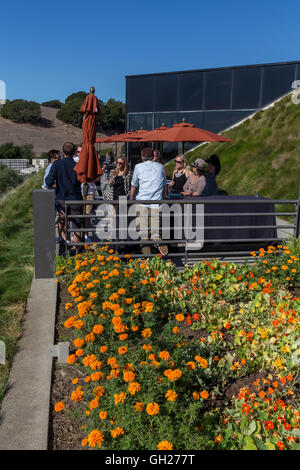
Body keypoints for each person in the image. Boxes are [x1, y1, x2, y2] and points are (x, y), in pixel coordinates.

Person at [46, 141, 83, 255]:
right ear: (73, 153)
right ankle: (74, 250)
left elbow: (48, 181)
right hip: (76, 198)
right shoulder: (78, 164)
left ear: (62, 152)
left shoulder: (57, 164)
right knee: (77, 225)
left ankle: (63, 243)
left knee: (62, 220)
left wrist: (59, 183)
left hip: (62, 198)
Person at [130, 147, 168, 256]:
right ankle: (157, 239)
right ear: (153, 156)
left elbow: (134, 185)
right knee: (155, 232)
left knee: (143, 234)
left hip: (142, 202)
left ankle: (147, 260)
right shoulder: (160, 167)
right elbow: (164, 185)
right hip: (156, 204)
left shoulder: (138, 167)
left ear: (142, 157)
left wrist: (131, 197)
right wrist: (164, 196)